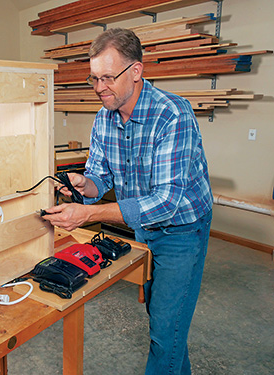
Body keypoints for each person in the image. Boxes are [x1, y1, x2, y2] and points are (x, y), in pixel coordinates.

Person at [43, 28, 213, 375]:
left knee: (165, 333)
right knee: (167, 322)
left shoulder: (172, 115)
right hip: (141, 227)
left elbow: (166, 201)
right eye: (94, 78)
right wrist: (83, 185)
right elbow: (100, 178)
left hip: (182, 230)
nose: (99, 87)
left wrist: (89, 214)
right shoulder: (103, 118)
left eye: (108, 77)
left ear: (136, 71)